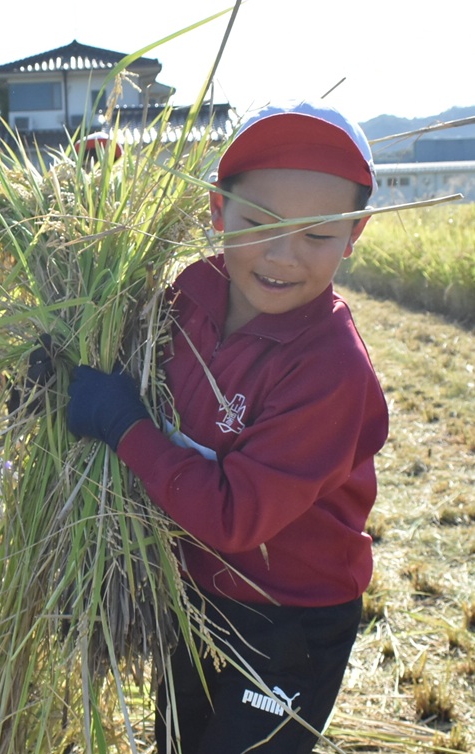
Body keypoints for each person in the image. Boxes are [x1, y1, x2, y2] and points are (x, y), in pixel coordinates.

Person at [65, 101, 389, 753]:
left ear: (354, 234)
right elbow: (137, 363)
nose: (282, 254)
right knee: (179, 743)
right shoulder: (194, 291)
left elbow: (235, 518)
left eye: (318, 235)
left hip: (290, 620)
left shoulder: (330, 370)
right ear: (218, 211)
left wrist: (123, 424)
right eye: (258, 222)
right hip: (196, 592)